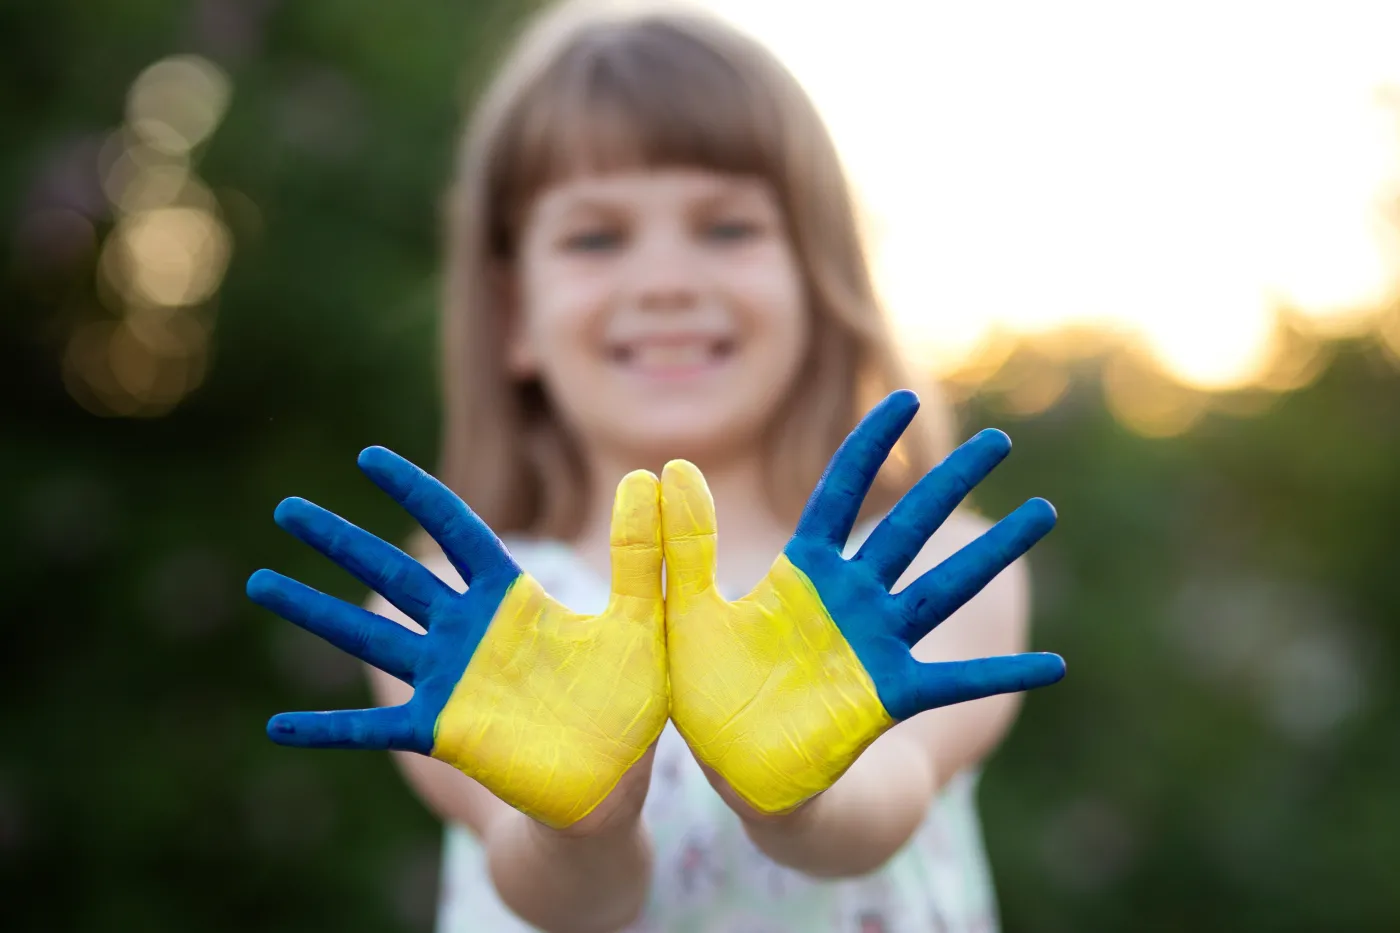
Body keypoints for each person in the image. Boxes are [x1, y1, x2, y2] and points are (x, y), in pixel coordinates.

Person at [256, 1, 1063, 930]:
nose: (667, 280)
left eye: (727, 229)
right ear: (515, 314)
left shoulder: (918, 578)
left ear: (817, 273)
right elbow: (570, 898)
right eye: (596, 238)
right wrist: (578, 820)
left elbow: (879, 808)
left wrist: (793, 786)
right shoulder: (460, 616)